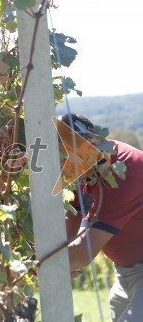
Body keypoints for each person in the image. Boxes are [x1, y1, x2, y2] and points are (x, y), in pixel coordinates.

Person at [60, 114, 143, 322]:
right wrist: (62, 259)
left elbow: (82, 254)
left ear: (93, 141)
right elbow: (71, 228)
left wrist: (27, 266)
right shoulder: (83, 168)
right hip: (127, 274)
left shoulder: (123, 173)